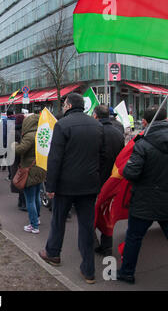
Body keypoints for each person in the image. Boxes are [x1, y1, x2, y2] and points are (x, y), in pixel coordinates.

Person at [39, 93, 105, 285]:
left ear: (67, 105)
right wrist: (97, 179)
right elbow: (103, 156)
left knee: (58, 221)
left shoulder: (62, 125)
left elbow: (55, 158)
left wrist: (50, 186)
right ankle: (88, 270)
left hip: (66, 185)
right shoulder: (97, 125)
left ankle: (53, 253)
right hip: (89, 185)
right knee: (86, 227)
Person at [117, 107, 168, 290]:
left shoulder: (143, 144)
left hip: (144, 203)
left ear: (146, 122)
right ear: (166, 119)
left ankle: (127, 272)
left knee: (134, 238)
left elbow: (131, 173)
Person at [92, 105, 125, 256]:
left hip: (97, 179)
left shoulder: (96, 132)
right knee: (107, 213)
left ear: (96, 116)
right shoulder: (118, 133)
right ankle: (106, 244)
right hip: (113, 179)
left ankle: (91, 242)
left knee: (91, 211)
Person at [14, 114, 47, 234]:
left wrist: (14, 145)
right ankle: (37, 219)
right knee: (37, 195)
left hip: (29, 170)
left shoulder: (29, 136)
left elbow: (20, 150)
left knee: (30, 199)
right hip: (39, 168)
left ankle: (33, 225)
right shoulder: (41, 133)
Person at [10, 114, 27, 211]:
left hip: (15, 160)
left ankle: (21, 201)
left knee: (19, 180)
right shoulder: (23, 132)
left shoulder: (13, 132)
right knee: (22, 180)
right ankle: (23, 202)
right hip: (21, 160)